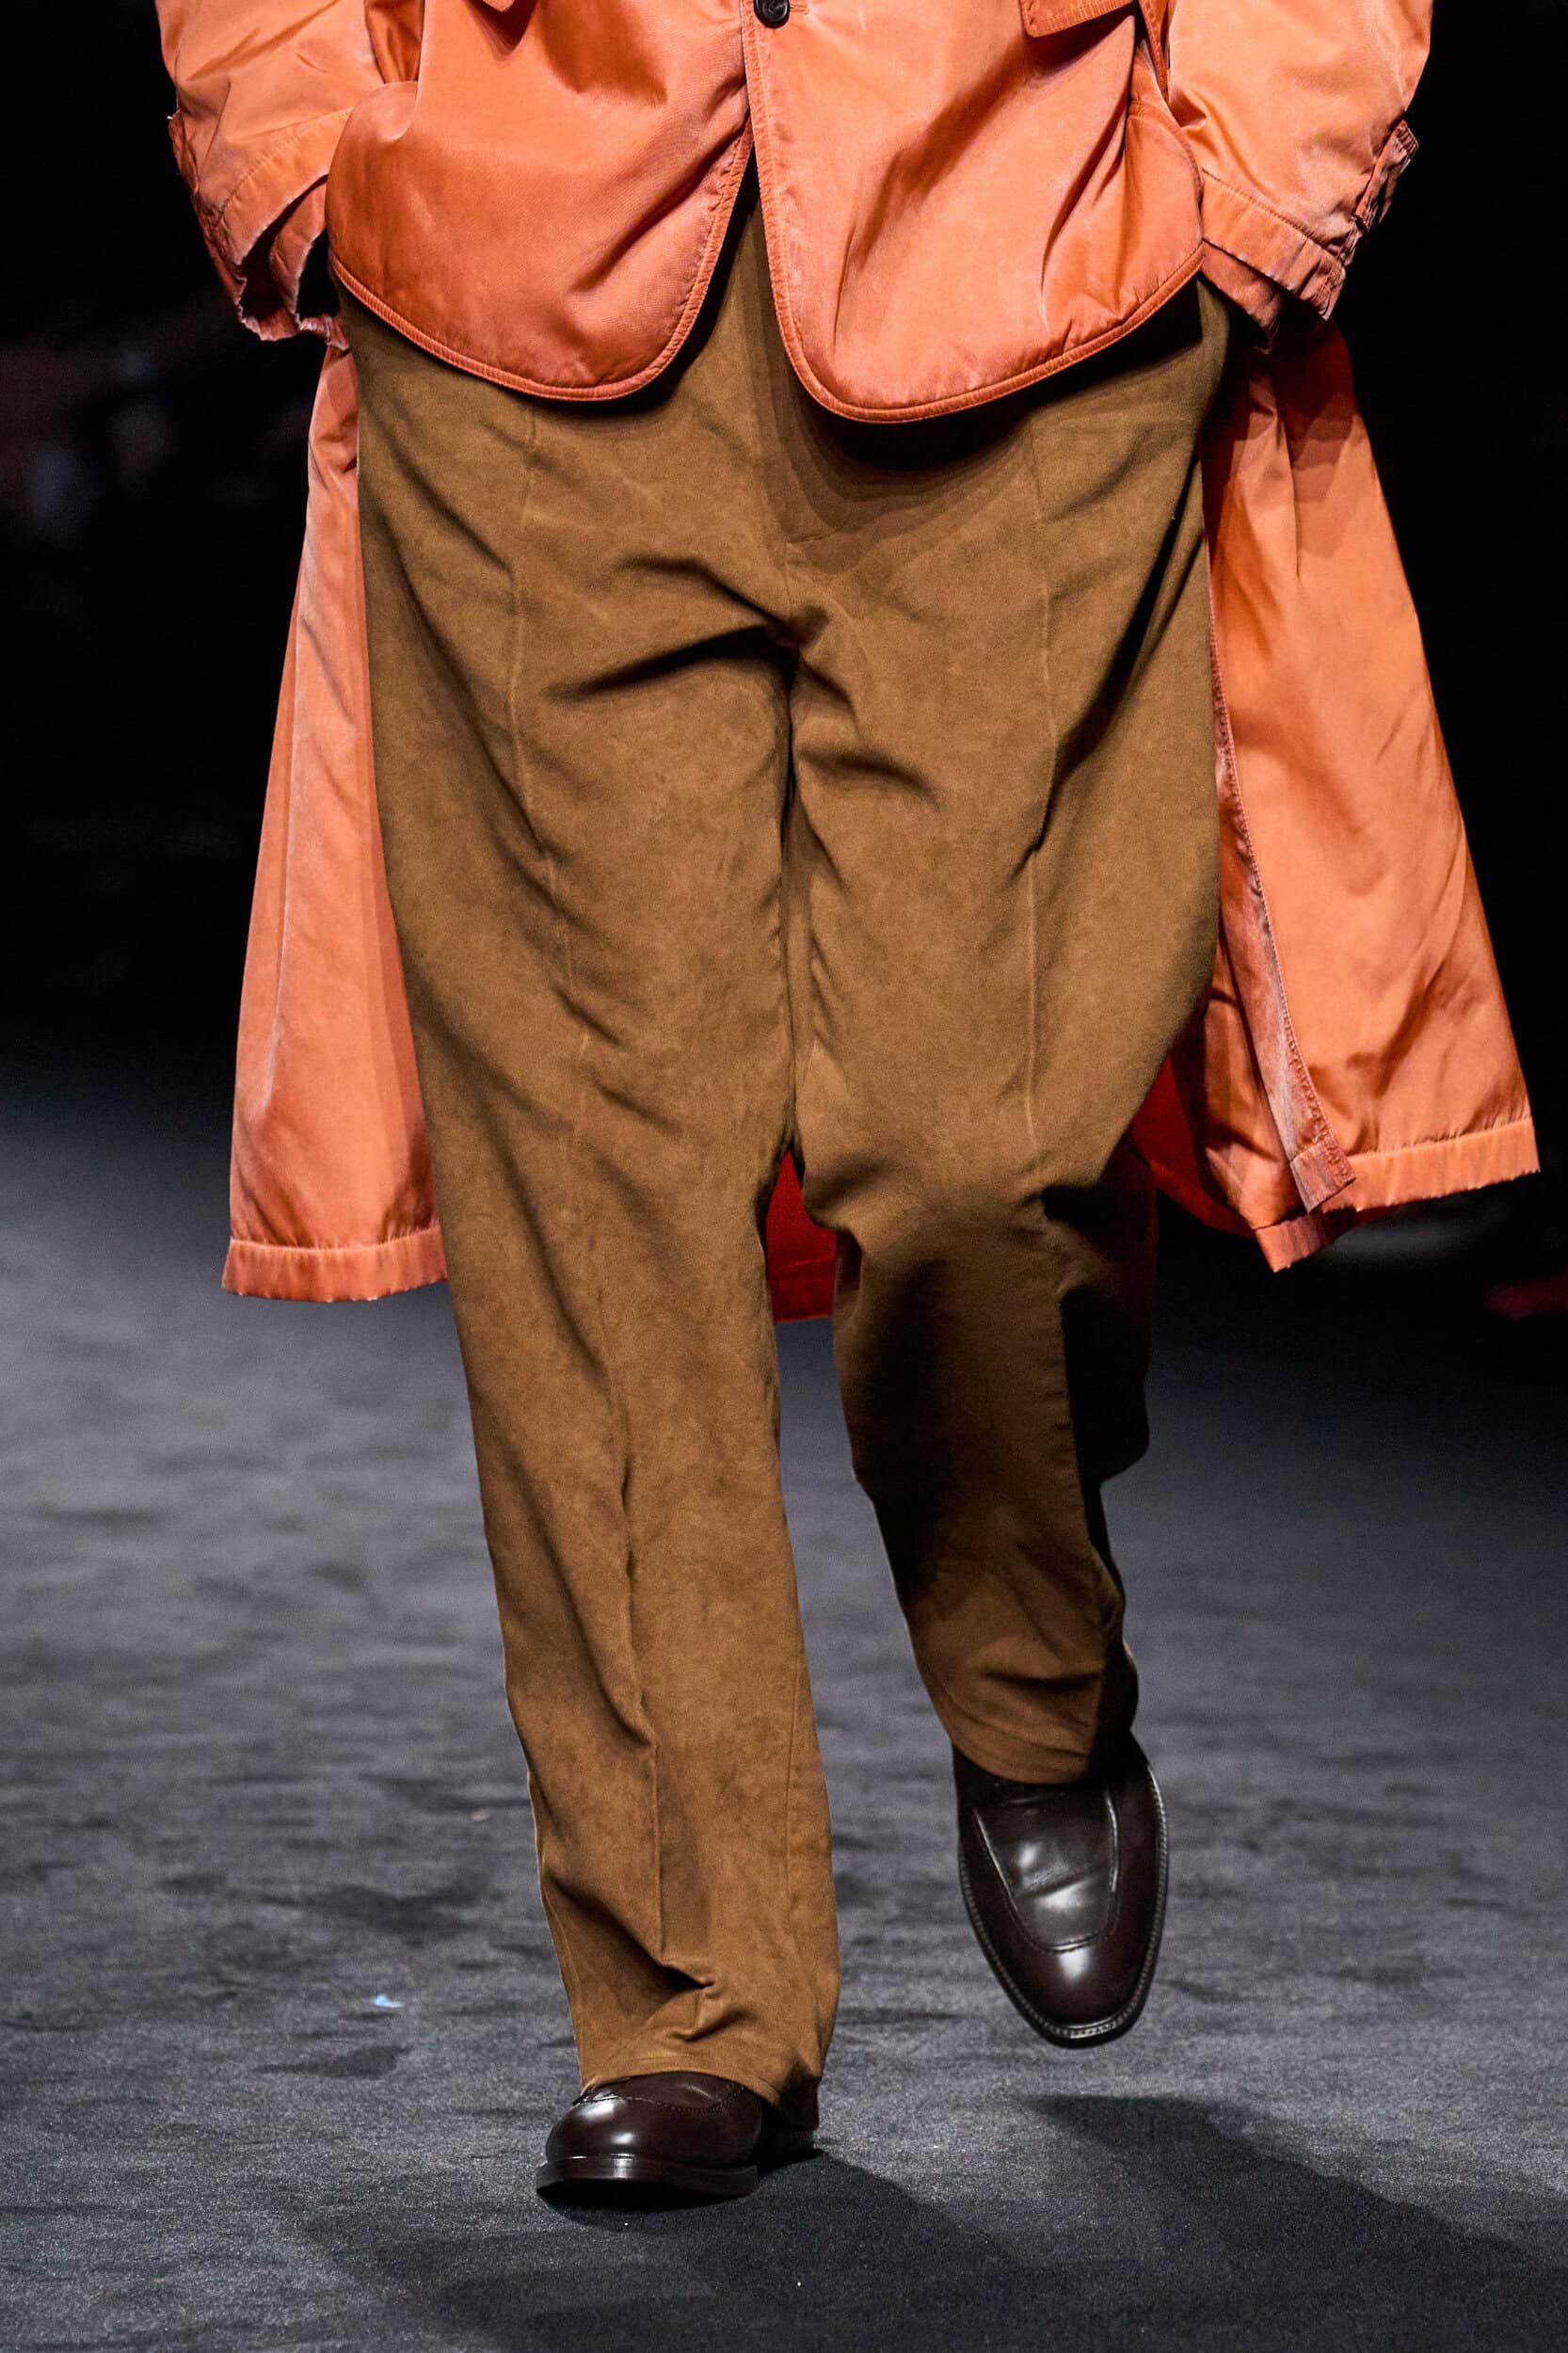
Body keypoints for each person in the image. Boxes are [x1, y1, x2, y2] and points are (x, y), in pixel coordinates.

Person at [156, 1, 1530, 2204]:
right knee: (591, 1195)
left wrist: (1246, 194)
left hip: (1032, 277)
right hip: (513, 294)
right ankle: (686, 1996)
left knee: (977, 1148)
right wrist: (305, 156)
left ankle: (1032, 1670)